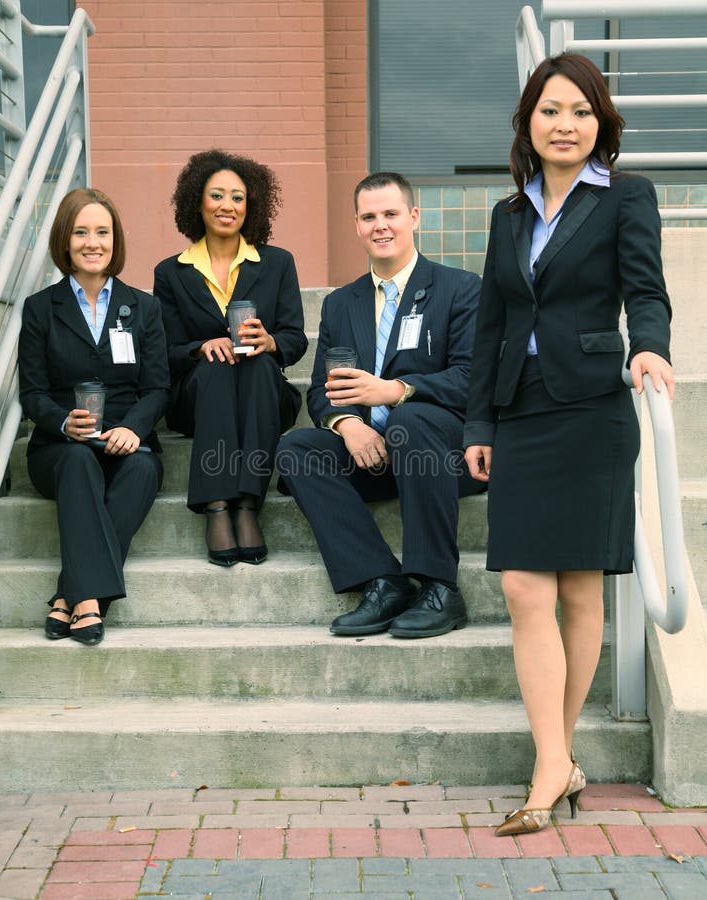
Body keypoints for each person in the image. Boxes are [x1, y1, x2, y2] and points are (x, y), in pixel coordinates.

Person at [463, 53, 674, 835]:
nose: (565, 125)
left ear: (600, 124)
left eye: (581, 111)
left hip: (591, 409)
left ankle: (553, 760)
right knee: (524, 586)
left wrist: (648, 347)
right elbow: (491, 325)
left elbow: (645, 290)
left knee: (581, 591)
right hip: (520, 413)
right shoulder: (506, 215)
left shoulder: (626, 197)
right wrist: (478, 423)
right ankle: (556, 758)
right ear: (527, 121)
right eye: (551, 110)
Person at [277, 172, 483, 639]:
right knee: (295, 449)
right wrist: (348, 423)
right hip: (371, 451)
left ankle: (439, 586)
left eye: (391, 214)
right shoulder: (339, 305)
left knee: (410, 419)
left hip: (441, 455)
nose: (380, 226)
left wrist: (395, 391)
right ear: (356, 225)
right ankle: (383, 581)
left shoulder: (461, 288)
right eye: (369, 217)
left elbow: (473, 380)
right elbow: (319, 393)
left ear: (413, 218)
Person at [19, 188, 170, 646]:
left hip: (126, 442)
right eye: (81, 232)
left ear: (114, 239)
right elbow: (33, 393)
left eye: (102, 232)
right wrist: (64, 422)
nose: (92, 242)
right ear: (65, 241)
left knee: (144, 469)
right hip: (60, 448)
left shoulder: (143, 307)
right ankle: (89, 602)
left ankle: (71, 592)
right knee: (80, 462)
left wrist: (132, 427)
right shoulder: (40, 308)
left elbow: (159, 387)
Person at [154, 149, 307, 566]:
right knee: (218, 361)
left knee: (256, 361)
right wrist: (200, 347)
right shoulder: (171, 272)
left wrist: (271, 342)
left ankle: (247, 502)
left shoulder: (277, 263)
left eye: (238, 197)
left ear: (250, 205)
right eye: (217, 195)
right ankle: (217, 504)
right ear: (197, 203)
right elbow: (163, 351)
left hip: (262, 394)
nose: (228, 206)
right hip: (199, 397)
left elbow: (296, 338)